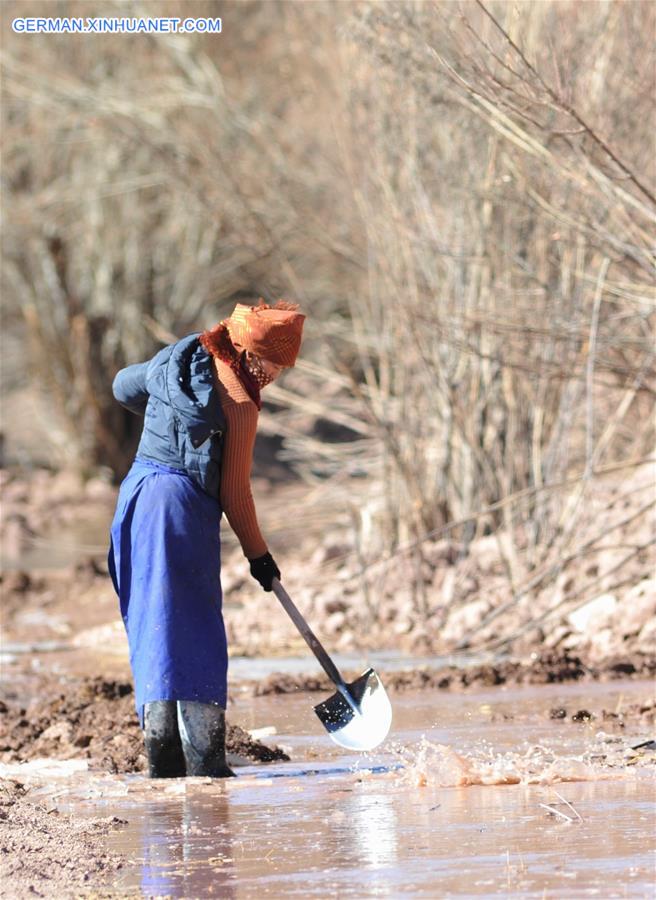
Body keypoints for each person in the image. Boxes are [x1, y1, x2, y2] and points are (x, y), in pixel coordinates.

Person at [108, 301, 305, 778]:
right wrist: (260, 557)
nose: (275, 376)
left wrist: (167, 416)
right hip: (181, 509)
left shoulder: (177, 357)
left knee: (154, 625)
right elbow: (236, 494)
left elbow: (120, 386)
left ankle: (164, 766)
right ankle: (206, 769)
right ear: (253, 355)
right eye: (276, 366)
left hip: (136, 500)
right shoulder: (238, 401)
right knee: (195, 630)